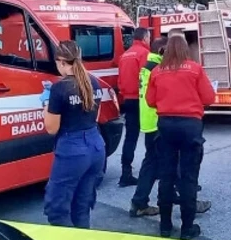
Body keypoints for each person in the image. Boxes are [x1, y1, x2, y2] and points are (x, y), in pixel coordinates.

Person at [145, 32, 216, 240]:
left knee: (166, 176)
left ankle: (165, 226)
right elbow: (209, 98)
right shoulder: (195, 69)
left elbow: (150, 101)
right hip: (190, 126)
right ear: (185, 49)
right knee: (189, 177)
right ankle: (187, 228)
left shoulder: (157, 71)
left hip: (166, 125)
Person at [130, 37, 211, 218]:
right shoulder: (160, 68)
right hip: (162, 120)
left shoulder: (149, 65)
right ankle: (187, 203)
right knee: (178, 165)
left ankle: (142, 201)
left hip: (152, 120)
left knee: (155, 164)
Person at [41, 41, 106, 228]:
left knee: (57, 209)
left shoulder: (59, 88)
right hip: (96, 146)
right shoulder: (92, 81)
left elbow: (51, 128)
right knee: (81, 206)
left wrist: (46, 103)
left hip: (73, 149)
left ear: (61, 62)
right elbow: (95, 115)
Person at [115, 27, 151, 187]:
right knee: (152, 135)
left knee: (130, 137)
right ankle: (154, 169)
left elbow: (120, 79)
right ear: (145, 37)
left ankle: (126, 173)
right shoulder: (144, 54)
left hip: (127, 99)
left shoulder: (124, 55)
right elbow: (147, 78)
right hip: (142, 100)